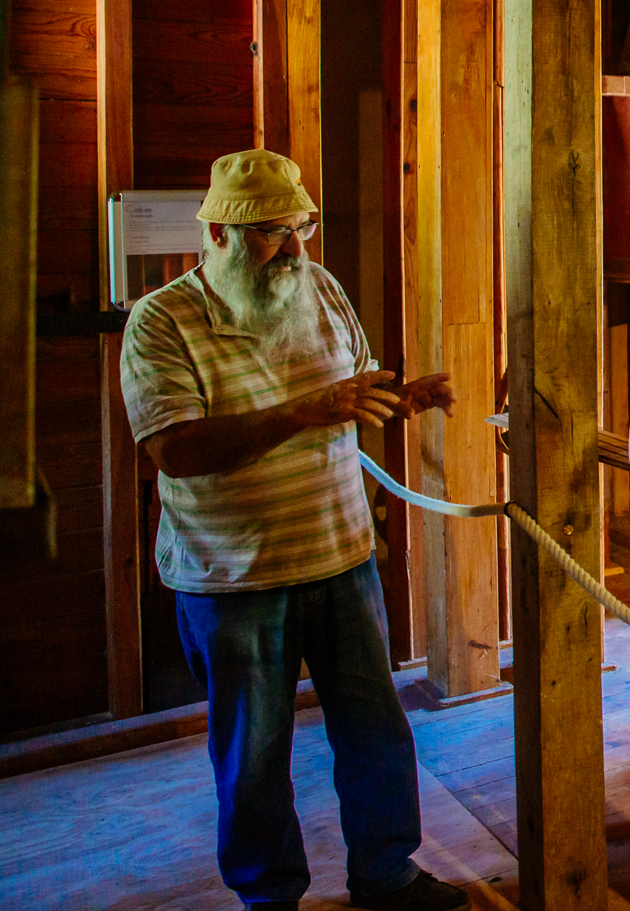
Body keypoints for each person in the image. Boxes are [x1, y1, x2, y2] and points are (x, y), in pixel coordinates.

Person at [120, 150, 468, 911]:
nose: (294, 249)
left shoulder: (320, 288)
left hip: (340, 554)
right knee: (254, 751)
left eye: (299, 228)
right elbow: (173, 448)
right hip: (232, 577)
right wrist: (307, 411)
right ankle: (269, 895)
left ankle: (388, 871)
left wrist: (401, 397)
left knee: (375, 726)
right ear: (215, 233)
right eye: (271, 234)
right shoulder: (161, 320)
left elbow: (353, 390)